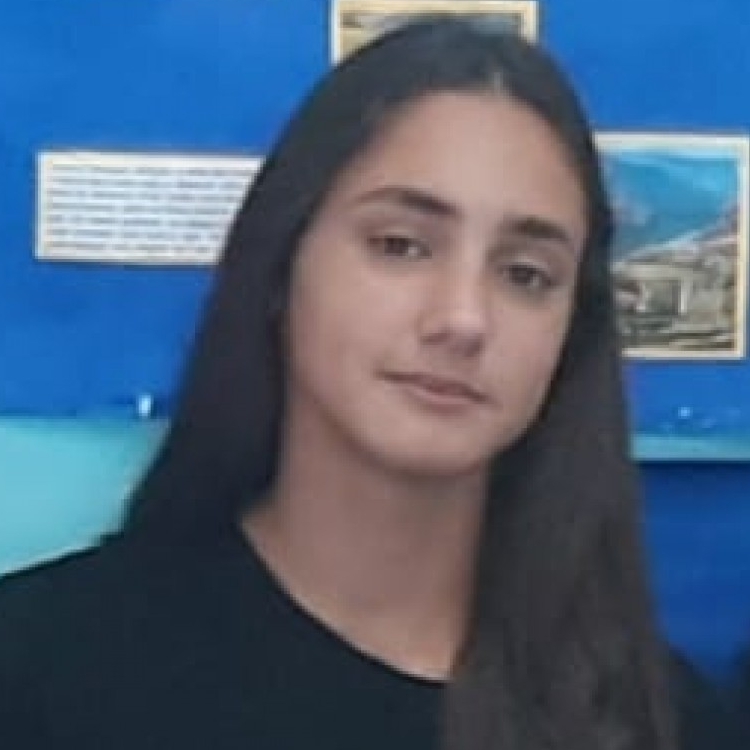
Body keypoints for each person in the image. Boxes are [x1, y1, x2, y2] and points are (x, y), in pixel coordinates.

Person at [0, 17, 678, 750]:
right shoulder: (40, 666)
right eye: (400, 245)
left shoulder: (660, 720)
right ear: (282, 266)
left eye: (525, 275)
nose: (463, 318)